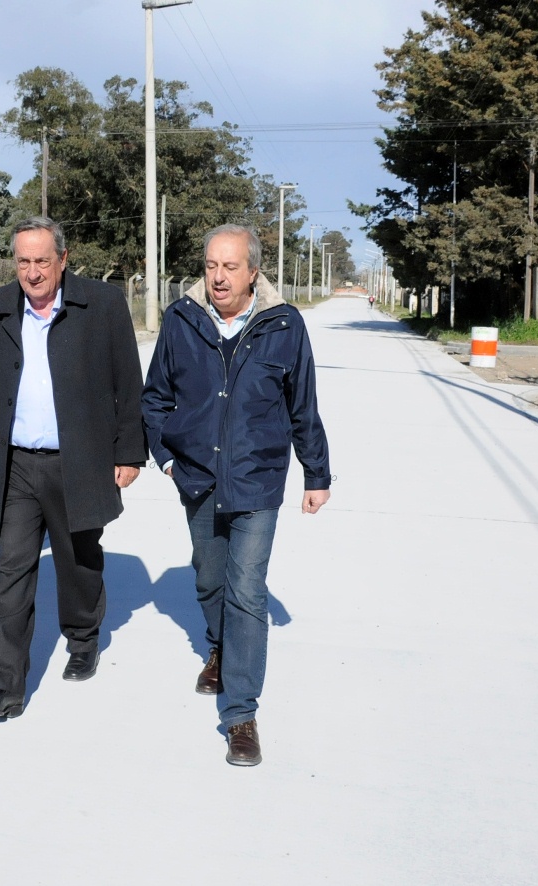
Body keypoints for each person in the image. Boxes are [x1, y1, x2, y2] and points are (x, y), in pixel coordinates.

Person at [142, 224, 331, 766]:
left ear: (253, 272)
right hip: (197, 475)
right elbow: (155, 397)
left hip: (257, 479)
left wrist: (315, 474)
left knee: (246, 590)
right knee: (209, 577)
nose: (219, 277)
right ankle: (219, 646)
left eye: (230, 267)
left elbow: (303, 405)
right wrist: (168, 457)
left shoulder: (284, 325)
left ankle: (241, 714)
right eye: (211, 266)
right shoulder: (182, 320)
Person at [0, 216, 146, 719]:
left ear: (63, 260)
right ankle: (6, 685)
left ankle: (83, 638)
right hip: (16, 464)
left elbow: (128, 383)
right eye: (23, 261)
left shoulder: (102, 305)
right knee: (14, 568)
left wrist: (128, 452)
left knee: (78, 561)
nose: (33, 272)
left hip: (79, 462)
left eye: (43, 261)